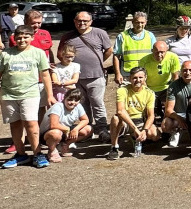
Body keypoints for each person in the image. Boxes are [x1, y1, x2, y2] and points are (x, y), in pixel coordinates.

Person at [0, 25, 55, 169]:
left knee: (31, 124)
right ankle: (21, 154)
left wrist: (50, 95)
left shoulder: (38, 53)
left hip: (30, 94)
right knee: (15, 124)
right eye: (19, 37)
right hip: (8, 95)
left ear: (32, 38)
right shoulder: (6, 54)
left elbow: (45, 75)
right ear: (14, 38)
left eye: (26, 37)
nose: (22, 40)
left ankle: (37, 154)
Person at [59, 11, 112, 141]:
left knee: (97, 103)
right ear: (74, 21)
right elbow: (61, 53)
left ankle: (102, 129)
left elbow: (109, 50)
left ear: (91, 22)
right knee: (82, 105)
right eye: (79, 21)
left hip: (96, 75)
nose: (82, 23)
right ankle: (87, 129)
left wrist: (97, 61)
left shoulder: (100, 33)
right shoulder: (67, 37)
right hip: (75, 78)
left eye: (85, 21)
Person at [106, 67, 161, 160]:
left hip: (140, 120)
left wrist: (145, 130)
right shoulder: (122, 90)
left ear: (145, 78)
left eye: (140, 77)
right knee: (115, 119)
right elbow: (120, 111)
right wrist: (135, 129)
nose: (138, 80)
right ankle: (114, 147)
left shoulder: (150, 93)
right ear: (129, 79)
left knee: (154, 134)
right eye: (134, 78)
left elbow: (151, 115)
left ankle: (138, 139)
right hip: (126, 120)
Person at [39, 89, 92, 163]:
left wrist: (76, 129)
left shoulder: (78, 106)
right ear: (65, 98)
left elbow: (85, 120)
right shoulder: (58, 106)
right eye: (70, 99)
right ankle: (52, 151)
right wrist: (67, 129)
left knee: (88, 129)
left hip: (64, 132)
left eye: (76, 100)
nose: (72, 102)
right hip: (48, 134)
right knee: (56, 133)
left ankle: (65, 145)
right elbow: (53, 125)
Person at [138, 41, 181, 120]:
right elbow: (142, 79)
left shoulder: (173, 57)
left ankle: (167, 124)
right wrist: (148, 92)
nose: (159, 55)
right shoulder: (144, 61)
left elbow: (175, 76)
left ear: (167, 50)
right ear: (152, 51)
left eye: (162, 52)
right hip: (150, 87)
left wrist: (172, 92)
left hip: (166, 87)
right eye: (156, 52)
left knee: (170, 108)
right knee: (149, 110)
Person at [161, 60, 191, 148]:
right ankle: (176, 132)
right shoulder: (173, 86)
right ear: (180, 71)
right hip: (180, 114)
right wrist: (179, 119)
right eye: (185, 70)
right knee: (165, 124)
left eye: (190, 70)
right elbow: (168, 110)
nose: (187, 73)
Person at [112, 11, 156, 84]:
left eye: (142, 22)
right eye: (137, 22)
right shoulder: (122, 36)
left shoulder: (150, 36)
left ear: (146, 22)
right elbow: (116, 56)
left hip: (146, 74)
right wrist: (117, 74)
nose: (139, 25)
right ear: (132, 22)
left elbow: (155, 54)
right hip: (128, 75)